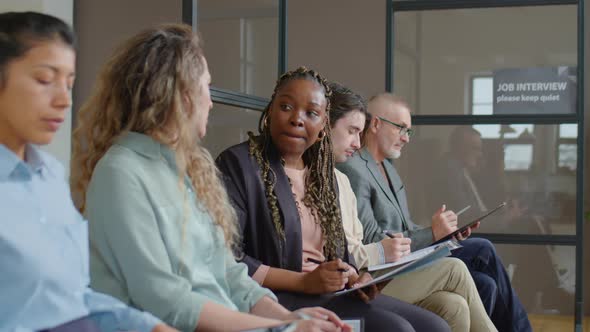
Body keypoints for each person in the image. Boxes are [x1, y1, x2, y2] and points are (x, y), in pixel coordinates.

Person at [72, 25, 343, 332]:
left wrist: (287, 318)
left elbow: (229, 273)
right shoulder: (120, 173)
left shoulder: (187, 171)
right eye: (206, 88)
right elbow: (165, 300)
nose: (210, 102)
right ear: (181, 96)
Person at [216, 67, 451, 332]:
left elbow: (340, 253)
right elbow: (228, 259)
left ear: (322, 125)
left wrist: (354, 275)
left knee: (436, 327)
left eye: (311, 113)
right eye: (285, 106)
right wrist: (304, 282)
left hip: (333, 292)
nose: (297, 119)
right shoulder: (238, 165)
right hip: (278, 296)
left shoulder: (324, 175)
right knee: (397, 330)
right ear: (270, 111)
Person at [0, 11, 175, 332]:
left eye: (69, 84)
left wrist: (151, 327)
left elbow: (74, 298)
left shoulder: (49, 176)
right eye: (44, 80)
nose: (64, 100)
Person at [336, 93, 532, 332]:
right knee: (483, 250)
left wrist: (444, 234)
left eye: (409, 131)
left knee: (486, 284)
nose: (406, 138)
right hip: (384, 271)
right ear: (376, 124)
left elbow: (405, 227)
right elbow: (372, 240)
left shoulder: (389, 169)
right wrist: (432, 234)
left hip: (406, 261)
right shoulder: (352, 168)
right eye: (401, 128)